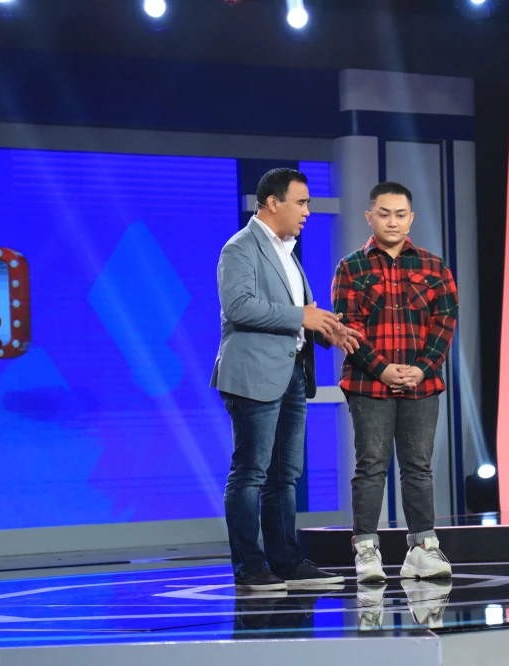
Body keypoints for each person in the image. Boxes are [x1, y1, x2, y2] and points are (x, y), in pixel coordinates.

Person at [212, 167, 362, 592]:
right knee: (251, 473)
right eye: (301, 202)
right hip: (253, 375)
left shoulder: (287, 251)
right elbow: (239, 306)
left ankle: (286, 562)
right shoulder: (240, 247)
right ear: (273, 202)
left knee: (284, 475)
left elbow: (299, 311)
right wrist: (302, 316)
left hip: (292, 373)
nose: (307, 211)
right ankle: (249, 567)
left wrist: (326, 328)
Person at [331, 181, 459, 583]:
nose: (392, 221)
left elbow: (445, 322)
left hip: (422, 383)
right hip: (369, 384)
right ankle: (366, 550)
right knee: (371, 465)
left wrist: (422, 368)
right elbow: (347, 327)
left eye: (400, 214)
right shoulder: (351, 267)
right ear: (369, 217)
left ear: (411, 218)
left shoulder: (434, 267)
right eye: (384, 214)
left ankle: (423, 548)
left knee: (418, 466)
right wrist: (382, 368)